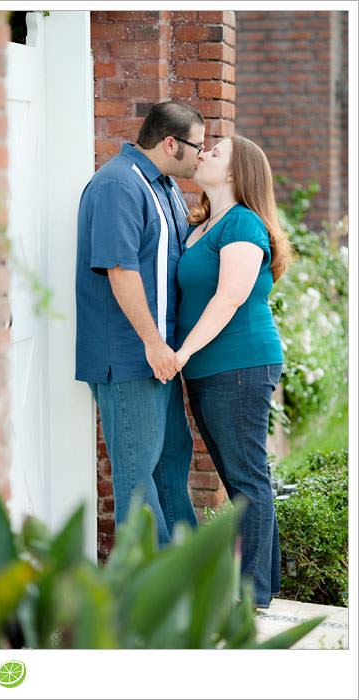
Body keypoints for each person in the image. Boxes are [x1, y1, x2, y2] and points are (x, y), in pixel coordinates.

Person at [75, 101, 204, 546]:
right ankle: (156, 602)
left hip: (162, 357)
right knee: (136, 478)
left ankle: (191, 576)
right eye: (197, 146)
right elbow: (120, 270)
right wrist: (152, 342)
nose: (201, 155)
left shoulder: (163, 185)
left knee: (171, 462)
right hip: (131, 357)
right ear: (171, 143)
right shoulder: (117, 184)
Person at [175, 134, 292, 608]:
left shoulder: (242, 223)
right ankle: (263, 586)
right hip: (211, 368)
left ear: (233, 173)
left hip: (241, 364)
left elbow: (229, 297)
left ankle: (250, 596)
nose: (203, 153)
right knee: (241, 477)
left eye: (215, 152)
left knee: (246, 478)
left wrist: (180, 353)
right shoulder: (205, 224)